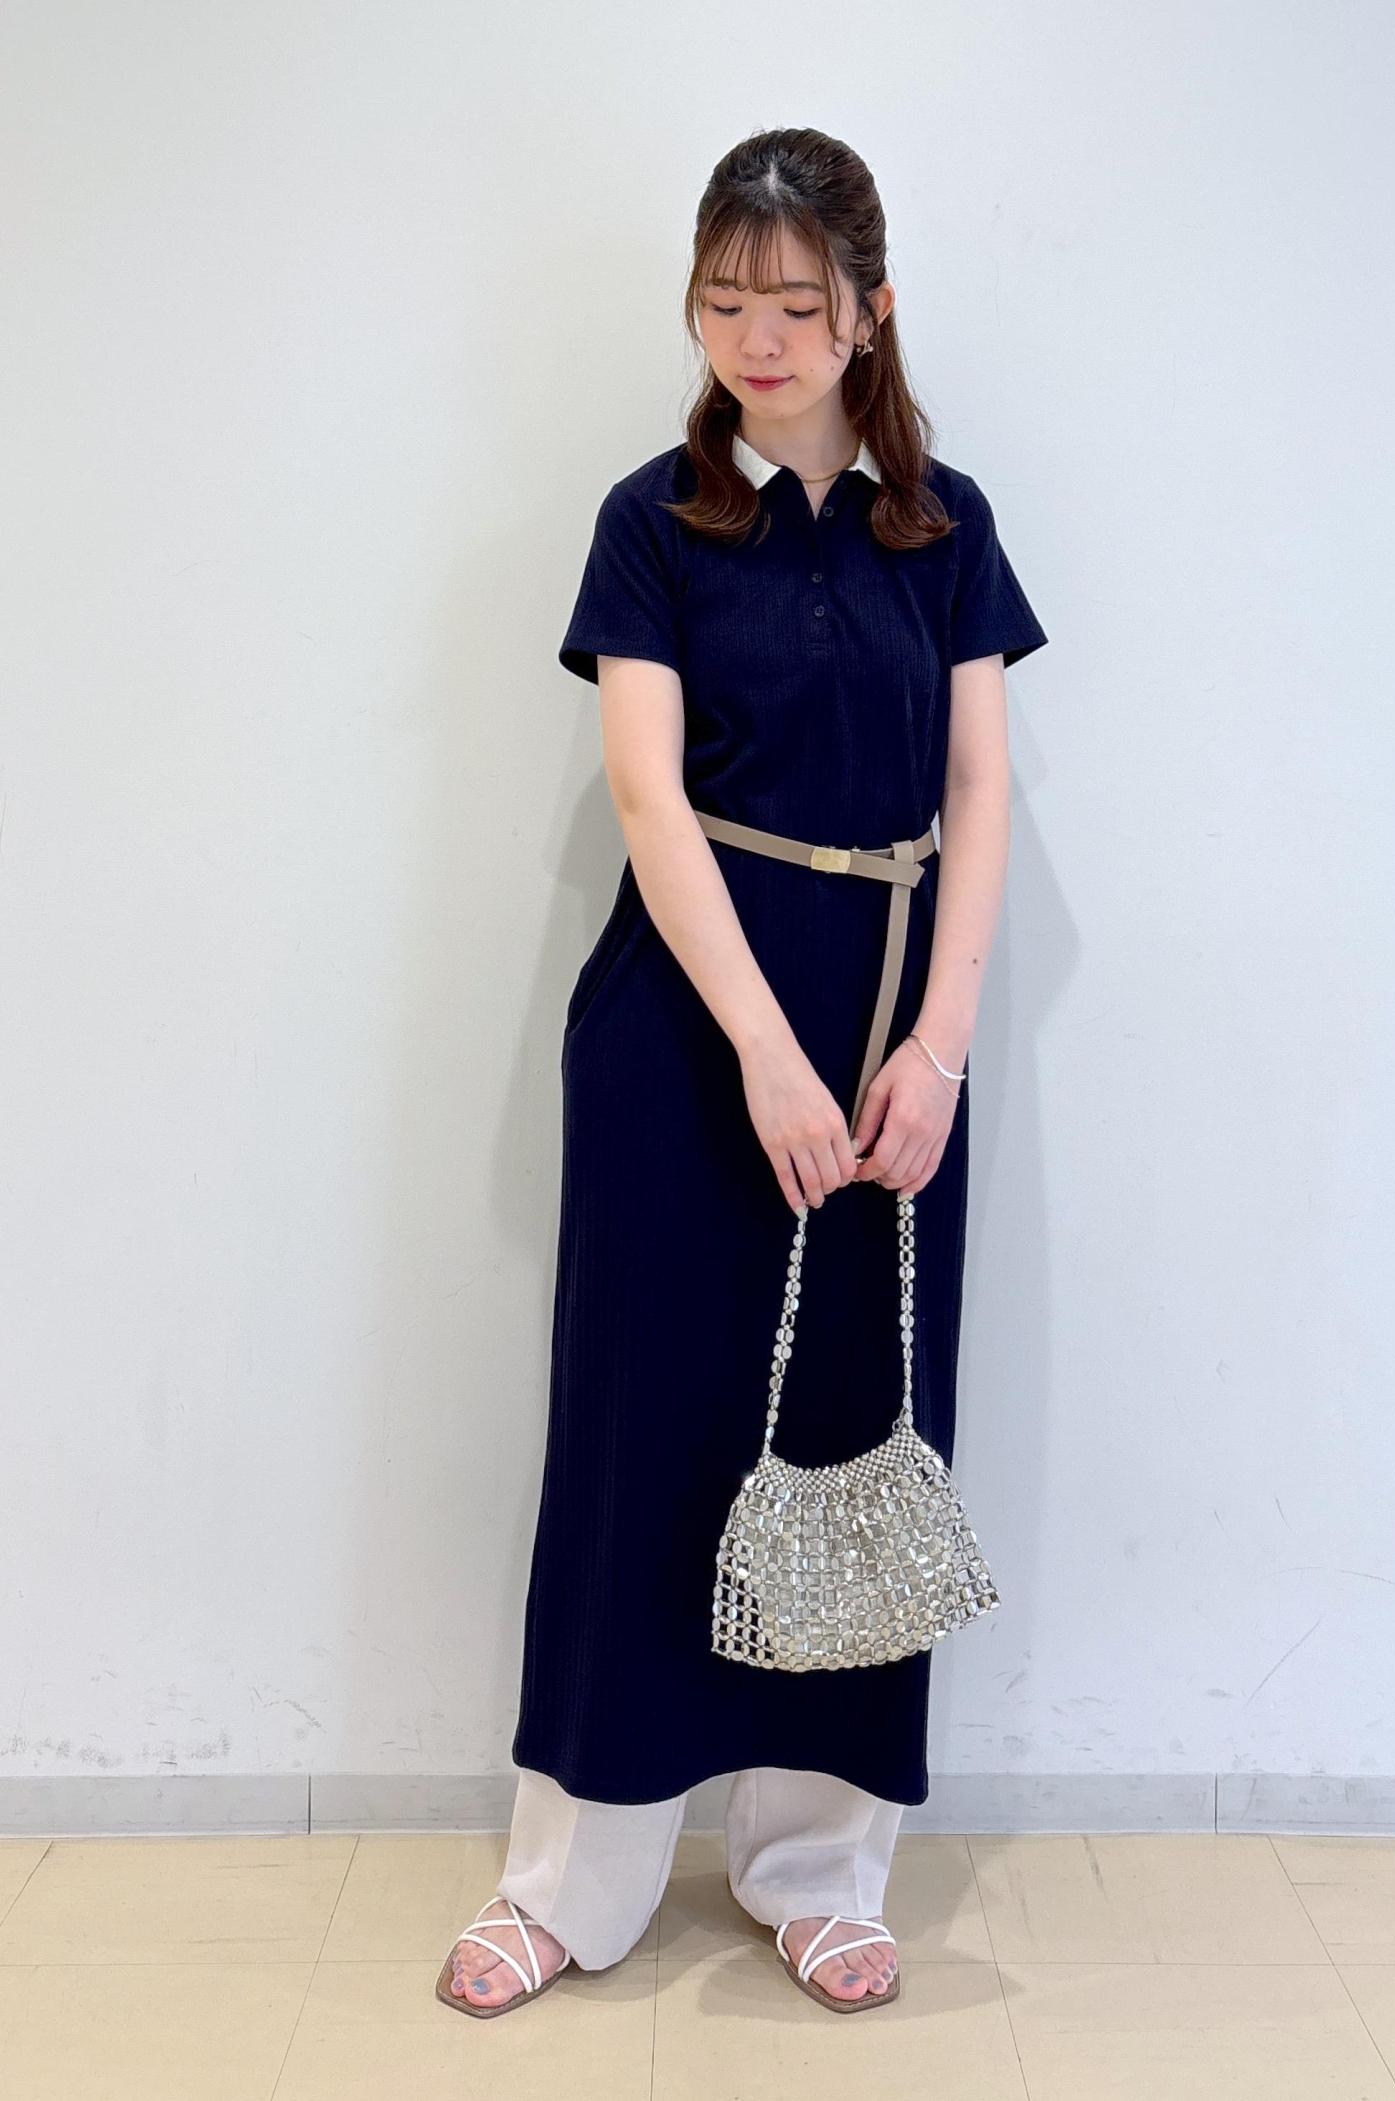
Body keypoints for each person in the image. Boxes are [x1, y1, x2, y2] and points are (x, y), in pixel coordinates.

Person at [437, 124, 1048, 2022]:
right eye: (725, 300)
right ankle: (573, 1879)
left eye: (796, 303)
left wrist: (936, 1046)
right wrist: (768, 1054)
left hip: (892, 1048)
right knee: (642, 1437)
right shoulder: (654, 521)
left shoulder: (943, 525)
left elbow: (979, 789)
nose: (758, 338)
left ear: (872, 311)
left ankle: (819, 1868)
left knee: (853, 1437)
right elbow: (647, 794)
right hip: (686, 1036)